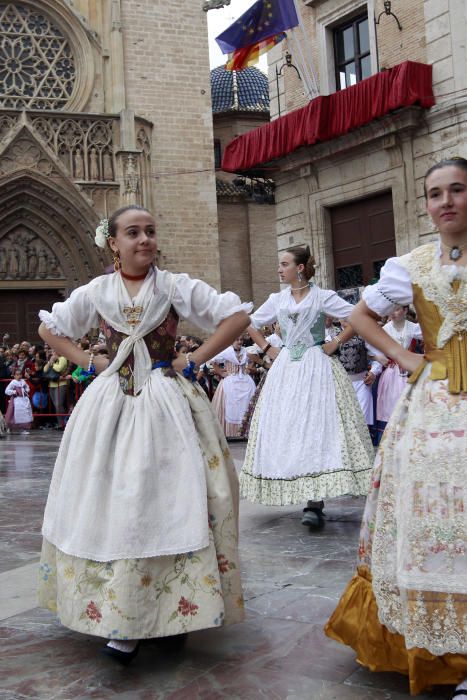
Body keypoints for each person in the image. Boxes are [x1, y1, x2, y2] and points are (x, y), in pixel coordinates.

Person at [37, 205, 250, 665]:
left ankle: (174, 610)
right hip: (111, 404)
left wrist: (193, 361)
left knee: (171, 499)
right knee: (116, 502)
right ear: (113, 242)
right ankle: (123, 616)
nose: (144, 240)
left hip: (167, 405)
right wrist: (90, 361)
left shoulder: (173, 286)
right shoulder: (97, 291)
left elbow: (234, 318)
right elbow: (49, 328)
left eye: (150, 231)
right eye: (133, 233)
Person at [325, 157, 467, 697]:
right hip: (432, 403)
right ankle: (444, 648)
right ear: (426, 205)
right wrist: (404, 358)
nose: (446, 201)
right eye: (436, 194)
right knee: (432, 509)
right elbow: (359, 317)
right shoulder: (410, 265)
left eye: (457, 190)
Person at [240, 246, 374, 527]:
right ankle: (297, 487)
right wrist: (266, 348)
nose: (280, 269)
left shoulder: (322, 296)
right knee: (288, 425)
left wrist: (336, 342)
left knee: (317, 424)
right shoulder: (277, 300)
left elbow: (358, 318)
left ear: (300, 268)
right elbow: (246, 322)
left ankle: (315, 502)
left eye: (284, 264)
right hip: (287, 367)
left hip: (317, 364)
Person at [374, 305, 423, 443]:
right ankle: (390, 441)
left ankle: (410, 440)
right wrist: (376, 359)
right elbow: (371, 347)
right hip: (391, 373)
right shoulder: (384, 330)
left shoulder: (412, 327)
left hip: (409, 372)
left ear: (405, 310)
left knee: (410, 404)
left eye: (397, 309)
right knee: (390, 404)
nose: (393, 313)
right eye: (391, 309)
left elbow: (429, 335)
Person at [211, 336, 256, 438]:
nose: (239, 342)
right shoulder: (226, 352)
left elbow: (254, 359)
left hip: (245, 381)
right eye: (237, 339)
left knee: (247, 404)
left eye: (241, 340)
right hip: (230, 381)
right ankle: (230, 432)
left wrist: (249, 368)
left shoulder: (246, 351)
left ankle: (245, 431)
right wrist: (221, 372)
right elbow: (213, 362)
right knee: (230, 403)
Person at [4, 369, 33, 433]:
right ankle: (10, 427)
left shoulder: (23, 381)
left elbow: (27, 387)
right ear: (14, 376)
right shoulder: (13, 382)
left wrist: (26, 390)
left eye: (20, 374)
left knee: (24, 414)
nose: (19, 376)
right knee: (13, 414)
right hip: (16, 401)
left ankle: (23, 428)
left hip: (23, 400)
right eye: (17, 375)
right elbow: (6, 390)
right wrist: (14, 392)